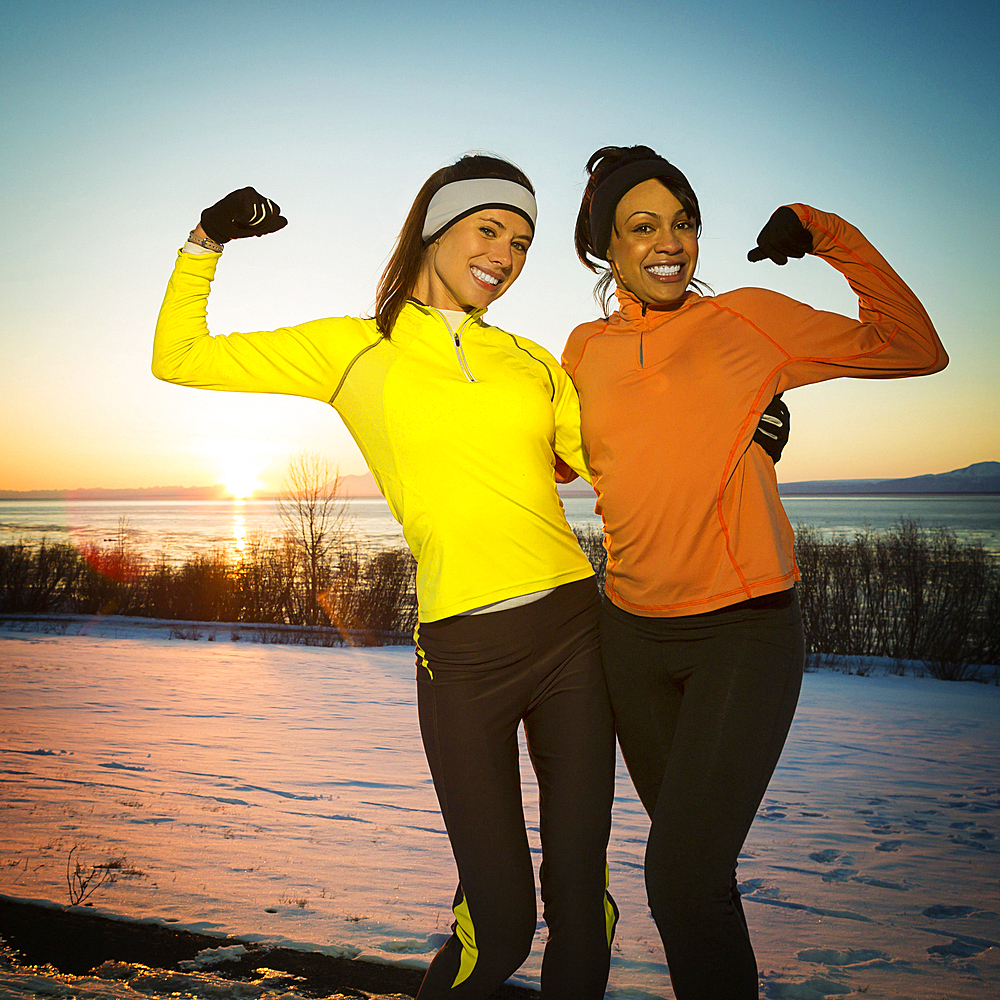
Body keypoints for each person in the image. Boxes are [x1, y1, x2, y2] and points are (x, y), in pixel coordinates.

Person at [152, 156, 618, 999]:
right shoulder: (352, 349)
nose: (507, 256)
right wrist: (205, 242)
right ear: (436, 226)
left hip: (575, 633)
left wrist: (741, 436)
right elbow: (179, 358)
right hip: (463, 656)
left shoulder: (533, 361)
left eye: (522, 242)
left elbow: (624, 472)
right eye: (490, 230)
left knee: (584, 903)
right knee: (503, 927)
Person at [562, 145, 947, 1000]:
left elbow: (916, 348)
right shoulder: (583, 349)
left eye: (685, 222)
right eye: (643, 226)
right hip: (628, 636)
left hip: (742, 631)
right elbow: (555, 458)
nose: (671, 243)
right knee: (695, 875)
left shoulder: (747, 318)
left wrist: (827, 235)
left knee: (680, 878)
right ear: (606, 247)